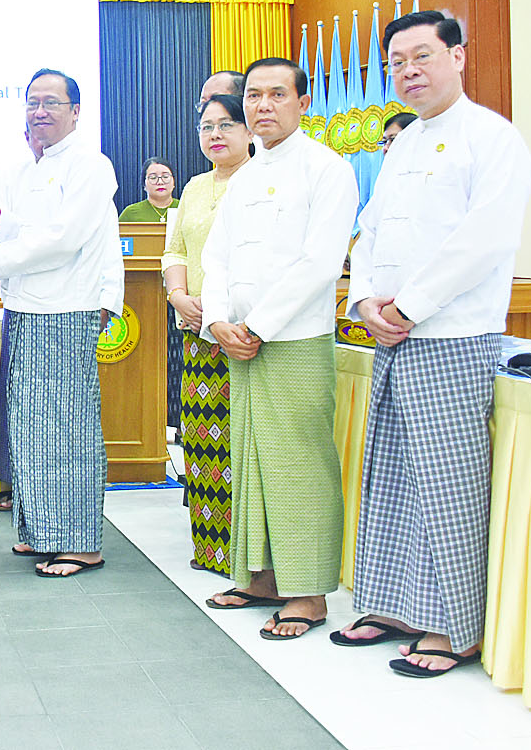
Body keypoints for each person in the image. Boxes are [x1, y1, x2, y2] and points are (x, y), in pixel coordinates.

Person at [335, 11, 531, 677]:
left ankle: (454, 627)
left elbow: (485, 239)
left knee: (449, 486)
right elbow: (370, 231)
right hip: (391, 334)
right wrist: (365, 300)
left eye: (422, 56)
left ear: (459, 56)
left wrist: (409, 307)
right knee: (393, 477)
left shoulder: (492, 138)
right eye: (396, 62)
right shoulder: (404, 144)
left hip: (452, 335)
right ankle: (395, 607)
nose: (408, 71)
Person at [201, 58, 357, 638]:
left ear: (302, 102)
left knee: (298, 466)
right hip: (240, 340)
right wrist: (218, 320)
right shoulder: (244, 175)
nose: (262, 106)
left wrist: (258, 326)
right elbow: (216, 256)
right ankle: (263, 577)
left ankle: (308, 594)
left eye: (277, 94)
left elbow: (320, 262)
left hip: (291, 339)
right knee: (252, 461)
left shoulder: (327, 169)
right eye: (254, 96)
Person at [0, 68, 122, 577]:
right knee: (31, 428)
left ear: (76, 111)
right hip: (27, 308)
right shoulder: (34, 167)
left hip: (66, 309)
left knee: (68, 428)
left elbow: (63, 239)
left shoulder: (90, 165)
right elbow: (30, 229)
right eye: (32, 102)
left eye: (51, 102)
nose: (40, 111)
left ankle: (81, 543)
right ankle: (43, 531)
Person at [162, 95, 254, 575]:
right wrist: (178, 296)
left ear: (249, 130)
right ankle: (210, 548)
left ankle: (247, 557)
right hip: (196, 330)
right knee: (201, 441)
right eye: (206, 127)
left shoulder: (262, 181)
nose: (215, 134)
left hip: (247, 334)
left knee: (243, 446)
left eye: (226, 124)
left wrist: (221, 312)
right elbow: (175, 251)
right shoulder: (196, 187)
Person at [118, 156, 179, 223]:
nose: (160, 182)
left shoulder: (185, 208)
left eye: (165, 177)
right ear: (144, 185)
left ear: (174, 182)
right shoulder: (130, 213)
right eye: (153, 178)